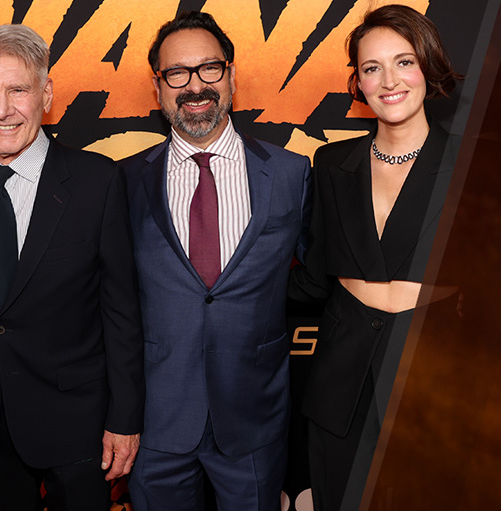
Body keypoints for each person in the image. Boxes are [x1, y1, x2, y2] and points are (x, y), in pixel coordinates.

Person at [0, 24, 144, 511]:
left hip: (80, 426)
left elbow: (122, 313)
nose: (1, 109)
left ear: (45, 95)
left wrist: (126, 418)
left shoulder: (98, 181)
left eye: (18, 90)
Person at [120, 11, 311, 511]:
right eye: (177, 74)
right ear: (158, 87)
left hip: (254, 418)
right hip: (156, 424)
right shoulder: (122, 183)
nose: (195, 86)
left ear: (231, 77)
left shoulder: (292, 174)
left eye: (210, 69)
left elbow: (316, 281)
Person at [288, 5, 463, 510]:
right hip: (341, 376)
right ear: (358, 83)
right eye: (371, 68)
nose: (389, 80)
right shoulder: (330, 163)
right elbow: (316, 274)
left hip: (435, 370)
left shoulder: (476, 164)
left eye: (403, 61)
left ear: (428, 68)